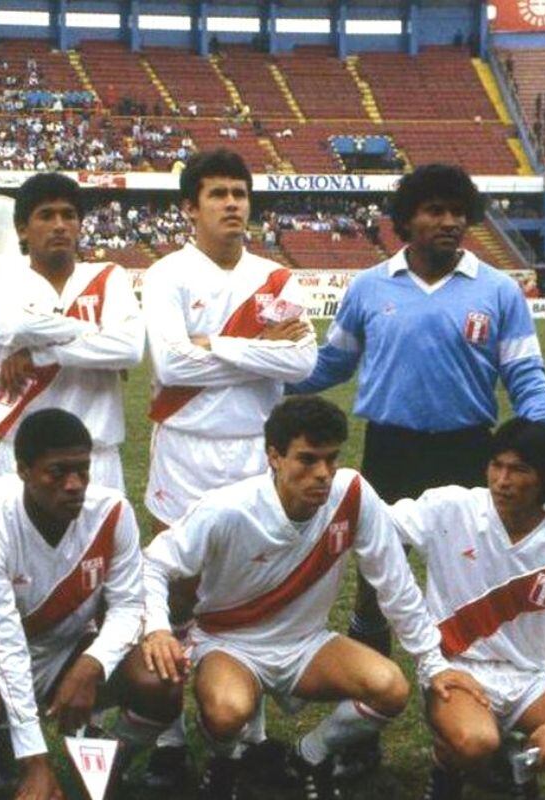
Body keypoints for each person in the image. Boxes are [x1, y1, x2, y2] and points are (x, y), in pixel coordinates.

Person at [289, 163, 545, 773]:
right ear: (405, 219)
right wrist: (254, 377)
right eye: (434, 210)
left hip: (469, 454)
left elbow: (526, 378)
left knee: (477, 593)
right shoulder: (368, 289)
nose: (450, 221)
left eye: (458, 210)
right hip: (390, 452)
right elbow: (329, 367)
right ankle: (359, 739)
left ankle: (485, 733)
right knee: (373, 594)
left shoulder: (497, 291)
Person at [141, 396, 485, 800]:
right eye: (307, 460)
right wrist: (159, 630)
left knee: (391, 687)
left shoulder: (353, 494)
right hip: (231, 645)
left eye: (331, 459)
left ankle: (307, 756)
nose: (322, 473)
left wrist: (432, 664)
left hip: (307, 643)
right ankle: (226, 762)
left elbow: (395, 584)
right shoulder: (226, 509)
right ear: (274, 456)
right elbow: (152, 564)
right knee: (226, 712)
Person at [138, 148, 316, 786]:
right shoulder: (166, 275)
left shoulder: (277, 278)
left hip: (253, 450)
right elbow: (173, 366)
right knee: (179, 588)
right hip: (185, 446)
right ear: (190, 207)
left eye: (240, 193)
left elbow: (302, 364)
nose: (232, 204)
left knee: (249, 589)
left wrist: (217, 344)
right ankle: (165, 732)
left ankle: (250, 735)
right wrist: (254, 352)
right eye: (217, 194)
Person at [0, 409, 180, 800]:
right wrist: (34, 762)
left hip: (71, 643)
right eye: (57, 472)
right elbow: (5, 646)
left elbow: (126, 605)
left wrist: (91, 665)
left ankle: (107, 764)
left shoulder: (112, 511)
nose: (74, 485)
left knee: (161, 683)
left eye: (82, 470)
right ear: (23, 470)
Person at [385, 419, 545, 799]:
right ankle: (445, 768)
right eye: (496, 465)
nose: (502, 480)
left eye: (519, 470)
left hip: (528, 678)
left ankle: (516, 758)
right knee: (474, 741)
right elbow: (379, 525)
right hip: (456, 669)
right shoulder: (451, 507)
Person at [0, 172, 144, 490]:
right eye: (46, 215)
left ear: (80, 225)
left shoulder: (109, 276)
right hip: (21, 457)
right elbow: (18, 325)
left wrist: (39, 354)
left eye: (69, 215)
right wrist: (95, 332)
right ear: (22, 229)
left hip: (97, 459)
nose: (59, 225)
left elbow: (130, 348)